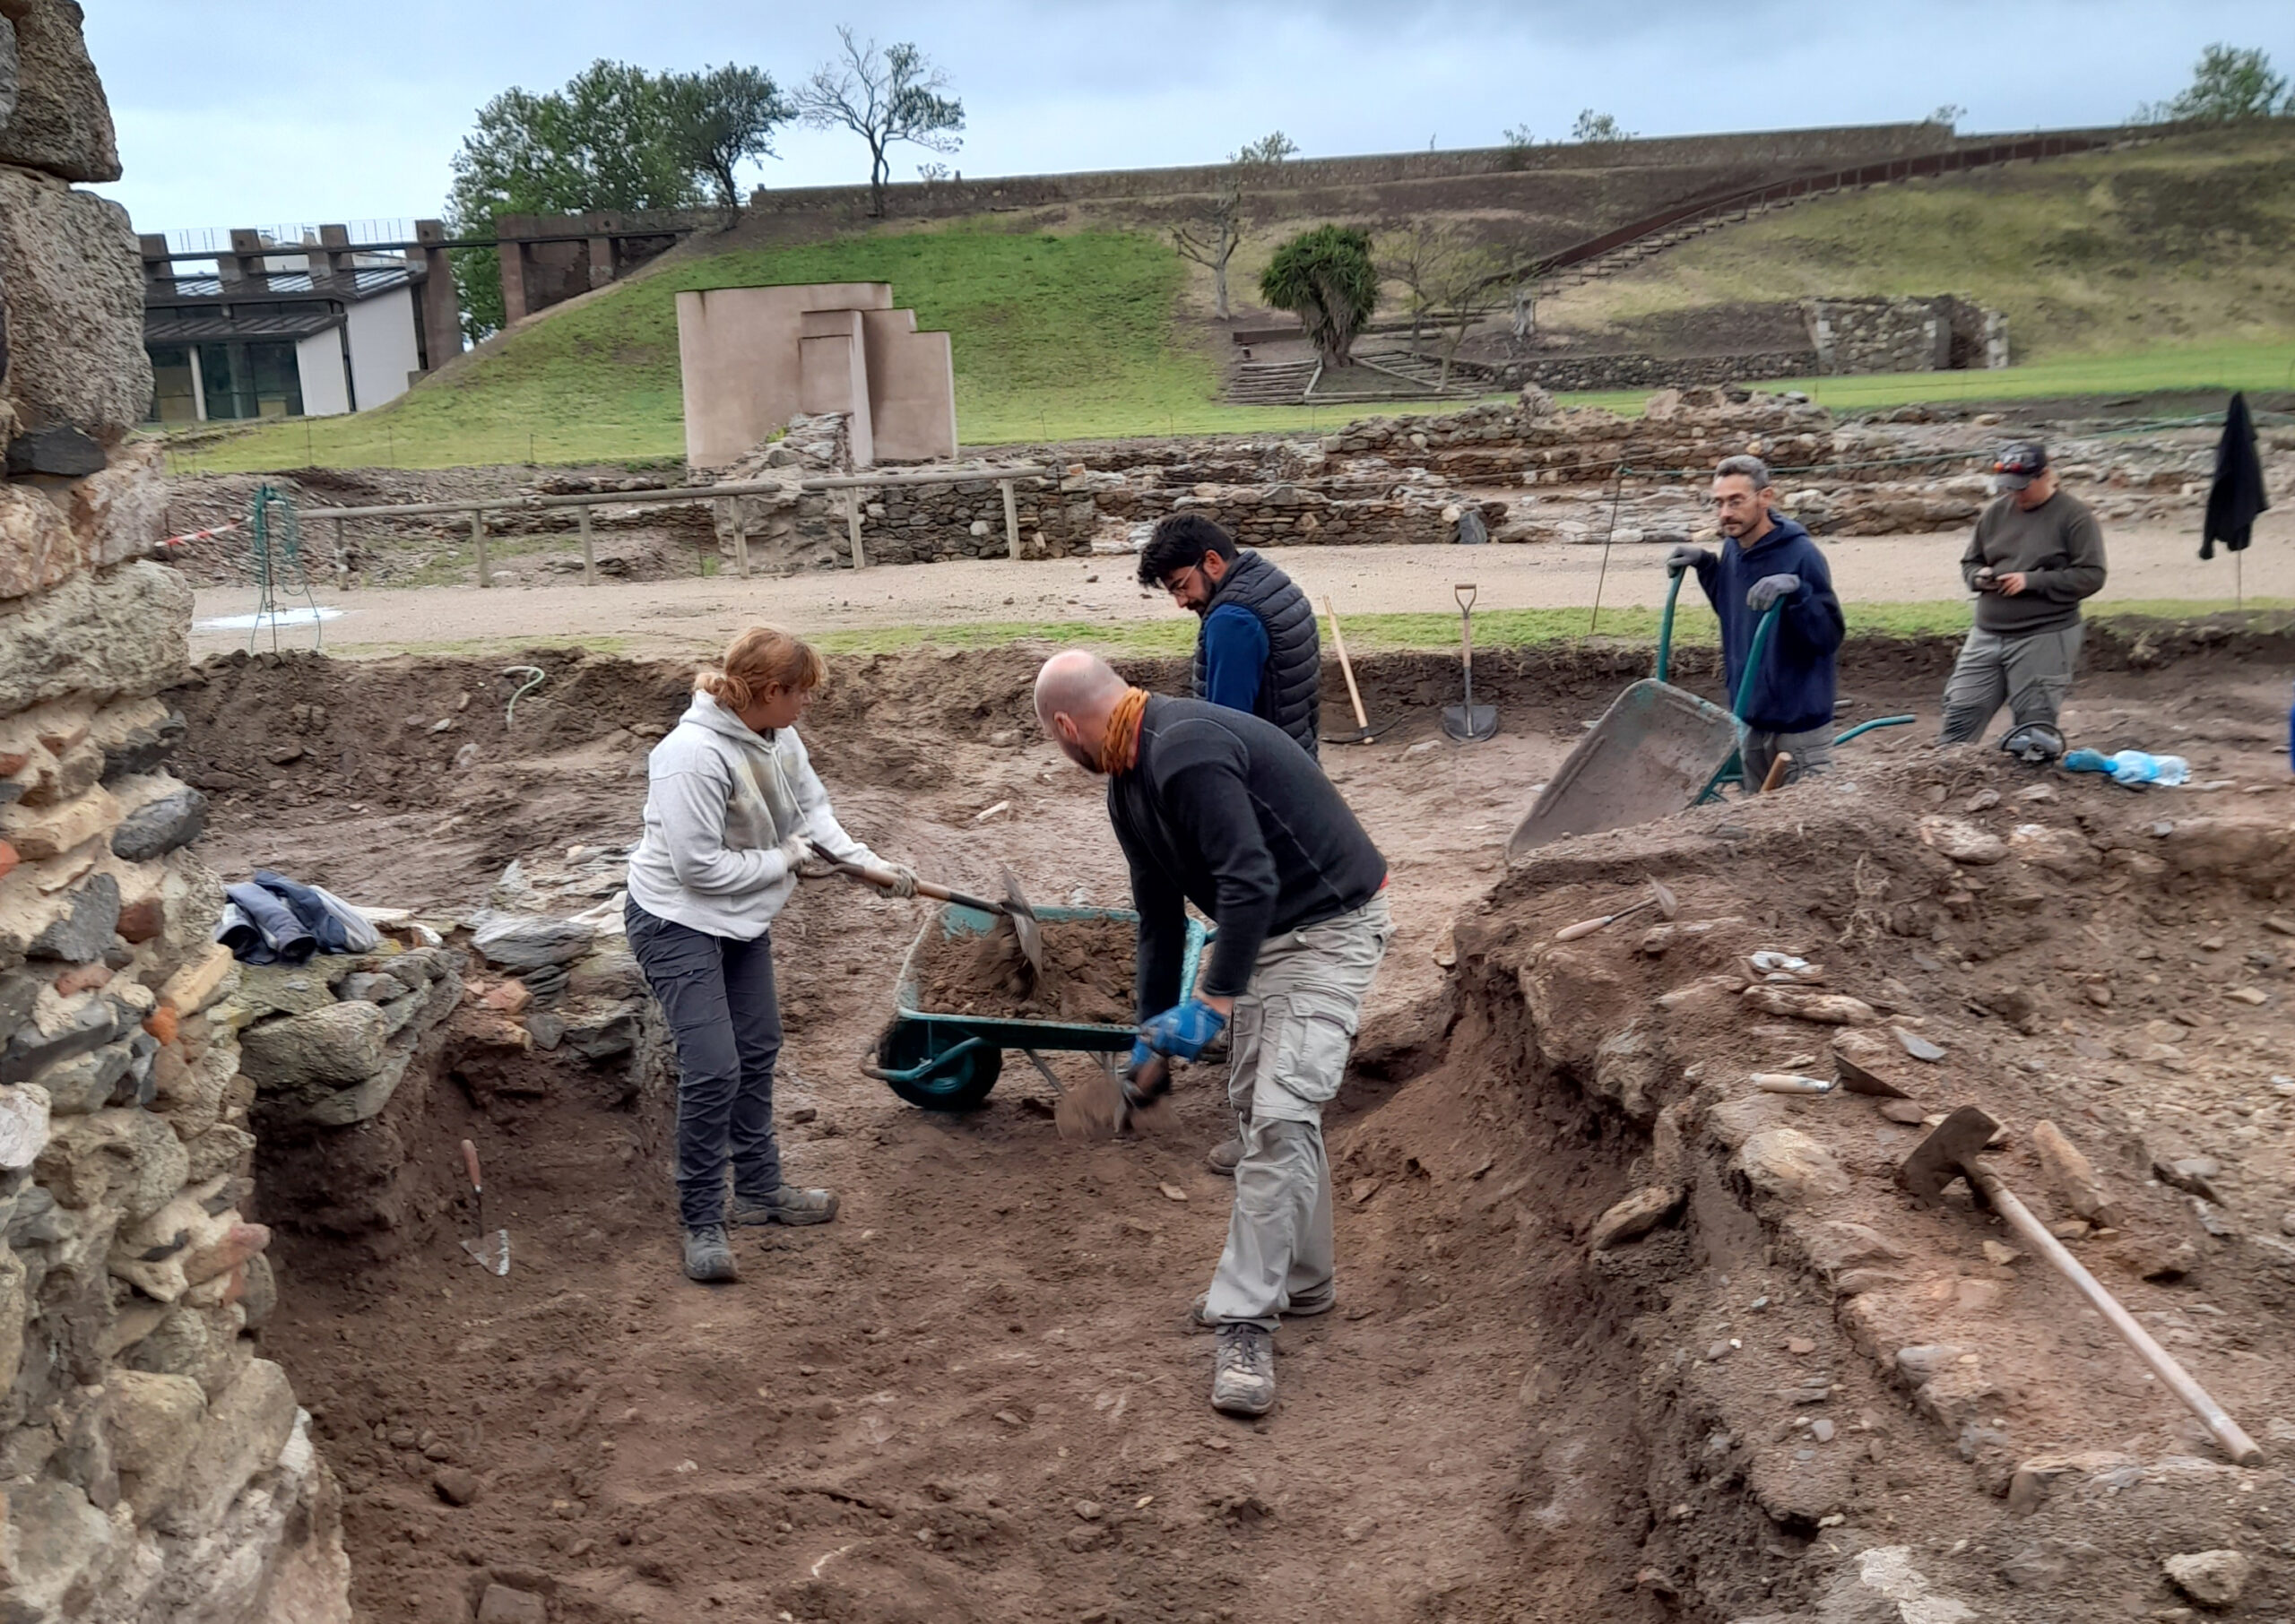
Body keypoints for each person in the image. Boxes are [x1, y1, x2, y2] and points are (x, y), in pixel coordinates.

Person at [1033, 651, 1390, 1419]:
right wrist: (1145, 1055)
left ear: (1066, 727)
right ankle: (1302, 1281)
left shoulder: (1185, 747)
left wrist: (1214, 1005)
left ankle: (1243, 1320)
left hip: (1329, 930)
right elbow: (1159, 924)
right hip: (1264, 935)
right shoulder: (1130, 790)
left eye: (1057, 743)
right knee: (1270, 1110)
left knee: (1280, 1115)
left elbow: (1249, 879)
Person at [624, 626, 919, 1285]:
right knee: (713, 1066)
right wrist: (784, 860)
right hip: (675, 920)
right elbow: (698, 869)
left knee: (756, 1048)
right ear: (770, 690)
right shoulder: (690, 757)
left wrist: (874, 867)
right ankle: (702, 1217)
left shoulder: (777, 738)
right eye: (803, 693)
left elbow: (812, 818)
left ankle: (759, 1190)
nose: (809, 704)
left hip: (739, 920)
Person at [1667, 454, 1845, 787]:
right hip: (1749, 717)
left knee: (1803, 826)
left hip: (1797, 726)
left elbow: (1827, 638)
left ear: (1765, 497)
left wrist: (1798, 592)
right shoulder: (1734, 548)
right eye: (1718, 503)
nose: (1725, 513)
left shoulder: (1801, 555)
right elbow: (1737, 613)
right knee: (1757, 826)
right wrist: (1707, 566)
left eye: (1736, 501)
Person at [1939, 443, 2108, 746]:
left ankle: (2032, 788)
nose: (2015, 495)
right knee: (1960, 711)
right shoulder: (1995, 514)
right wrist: (1978, 577)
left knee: (2034, 727)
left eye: (2022, 487)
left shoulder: (2074, 517)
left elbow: (2092, 575)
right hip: (1987, 633)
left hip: (2043, 635)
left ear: (2044, 476)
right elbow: (1971, 561)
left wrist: (2032, 581)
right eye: (2008, 488)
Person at [1137, 514, 1321, 761]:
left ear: (1211, 561)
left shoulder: (1233, 622)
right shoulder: (1269, 582)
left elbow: (1226, 729)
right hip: (1297, 766)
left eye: (1182, 586)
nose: (1181, 602)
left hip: (1263, 783)